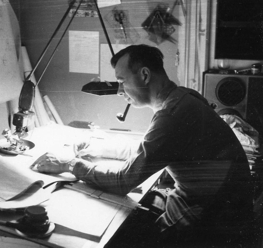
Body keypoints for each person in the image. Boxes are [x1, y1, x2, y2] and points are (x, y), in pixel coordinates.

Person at [33, 44, 254, 247]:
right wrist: (98, 147)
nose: (120, 91)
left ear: (145, 75)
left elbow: (123, 181)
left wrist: (71, 165)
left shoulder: (172, 115)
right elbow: (152, 148)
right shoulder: (183, 97)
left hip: (208, 223)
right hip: (220, 210)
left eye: (122, 81)